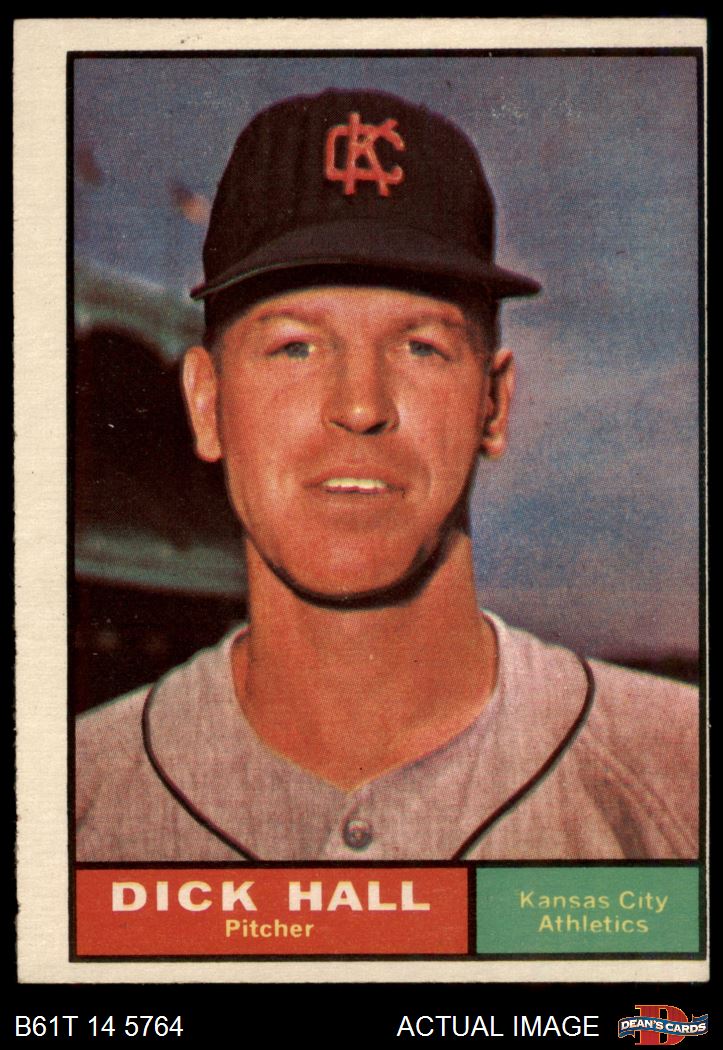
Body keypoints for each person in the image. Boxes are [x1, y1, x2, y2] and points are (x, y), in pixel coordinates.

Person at [76, 89, 698, 862]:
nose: (361, 407)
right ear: (206, 405)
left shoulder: (681, 775)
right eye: (295, 347)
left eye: (421, 347)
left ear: (493, 404)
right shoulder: (72, 796)